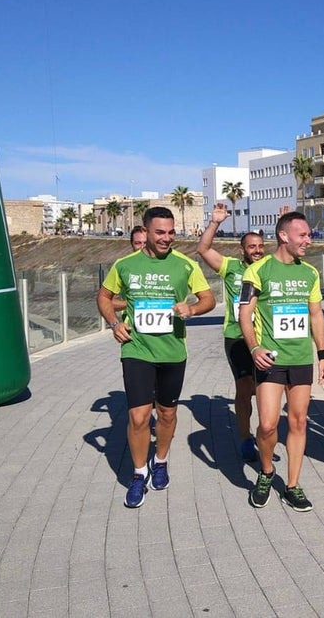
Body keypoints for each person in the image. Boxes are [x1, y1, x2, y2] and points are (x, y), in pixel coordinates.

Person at [96, 206, 215, 508]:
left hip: (173, 351)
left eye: (171, 232)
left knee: (167, 414)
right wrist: (114, 323)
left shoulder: (186, 265)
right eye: (160, 232)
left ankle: (160, 461)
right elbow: (104, 296)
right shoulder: (125, 265)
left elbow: (208, 299)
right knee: (138, 416)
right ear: (145, 232)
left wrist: (192, 309)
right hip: (137, 349)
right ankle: (138, 474)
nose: (167, 238)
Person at [239, 211, 324, 511]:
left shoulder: (310, 273)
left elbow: (316, 314)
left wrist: (323, 355)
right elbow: (244, 315)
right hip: (271, 359)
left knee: (298, 420)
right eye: (302, 235)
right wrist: (253, 349)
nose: (308, 240)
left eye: (308, 235)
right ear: (283, 236)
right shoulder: (259, 271)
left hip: (301, 358)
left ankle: (292, 485)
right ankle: (266, 472)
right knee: (266, 425)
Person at [196, 202, 266, 463]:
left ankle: (264, 431)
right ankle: (246, 437)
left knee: (264, 389)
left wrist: (285, 229)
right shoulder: (231, 267)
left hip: (265, 338)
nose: (257, 251)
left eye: (260, 246)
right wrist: (215, 222)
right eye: (252, 247)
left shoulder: (270, 267)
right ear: (242, 250)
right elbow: (202, 249)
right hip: (236, 337)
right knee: (244, 386)